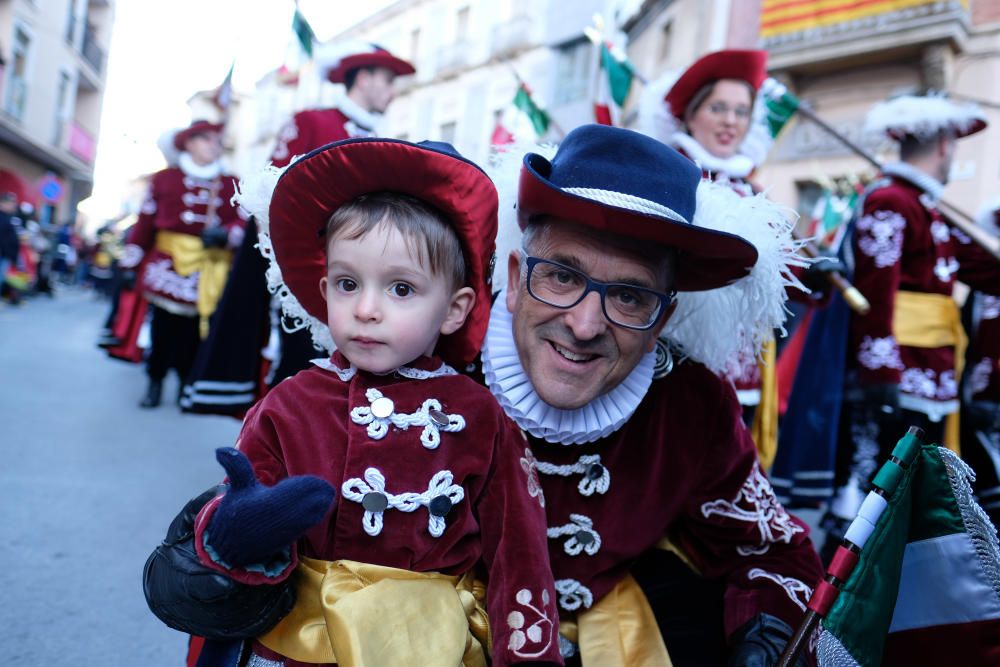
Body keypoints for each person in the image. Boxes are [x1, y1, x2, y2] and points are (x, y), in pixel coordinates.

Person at [147, 125, 823, 666]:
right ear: (515, 273)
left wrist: (764, 631)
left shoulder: (692, 407)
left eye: (629, 295)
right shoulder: (421, 355)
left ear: (665, 316)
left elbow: (771, 550)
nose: (586, 325)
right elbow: (270, 480)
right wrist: (212, 565)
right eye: (562, 276)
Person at [153, 137, 562, 666]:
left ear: (455, 309)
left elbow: (520, 559)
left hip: (431, 649)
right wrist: (234, 533)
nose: (366, 308)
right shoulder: (288, 405)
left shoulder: (483, 419)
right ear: (324, 291)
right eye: (348, 283)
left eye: (400, 289)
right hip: (297, 648)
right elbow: (235, 524)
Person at [181, 41, 415, 415]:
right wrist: (284, 274)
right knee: (298, 369)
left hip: (354, 275)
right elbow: (270, 194)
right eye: (387, 78)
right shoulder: (311, 121)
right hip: (302, 272)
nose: (392, 89)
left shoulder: (384, 140)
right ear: (364, 77)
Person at [639, 49, 838, 471]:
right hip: (674, 347)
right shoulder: (670, 175)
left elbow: (769, 266)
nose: (731, 121)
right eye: (719, 108)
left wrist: (811, 275)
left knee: (726, 467)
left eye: (741, 111)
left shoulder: (749, 188)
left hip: (743, 361)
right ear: (690, 115)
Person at [824, 94, 1000, 547]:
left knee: (919, 495)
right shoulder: (890, 201)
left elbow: (983, 269)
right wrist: (879, 370)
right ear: (944, 144)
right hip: (898, 370)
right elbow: (876, 290)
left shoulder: (932, 209)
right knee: (878, 491)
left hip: (935, 372)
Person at [118, 119, 247, 408]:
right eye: (207, 140)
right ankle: (155, 381)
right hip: (168, 265)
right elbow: (145, 223)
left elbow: (245, 220)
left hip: (208, 266)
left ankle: (185, 384)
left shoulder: (229, 183)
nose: (214, 146)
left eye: (216, 140)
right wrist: (131, 263)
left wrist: (227, 234)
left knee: (194, 332)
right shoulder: (165, 179)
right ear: (189, 143)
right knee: (162, 329)